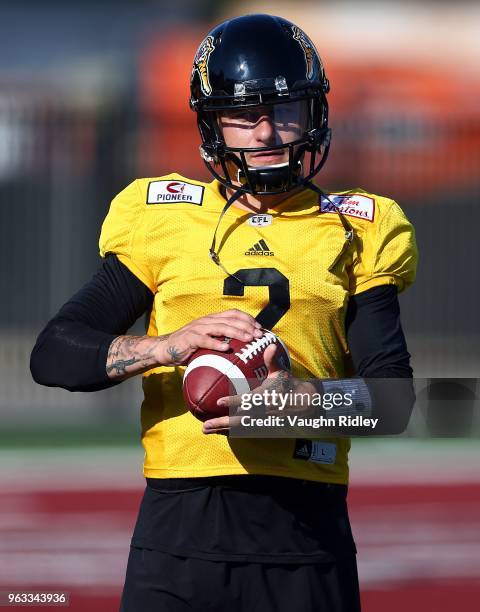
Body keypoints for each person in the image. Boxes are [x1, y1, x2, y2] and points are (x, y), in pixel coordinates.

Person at [30, 13, 417, 612]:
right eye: (243, 115)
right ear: (212, 123)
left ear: (314, 113)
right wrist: (165, 346)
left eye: (285, 109)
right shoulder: (161, 217)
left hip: (305, 537)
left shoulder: (362, 226)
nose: (265, 133)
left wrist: (300, 402)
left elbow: (394, 402)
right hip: (177, 535)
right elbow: (54, 353)